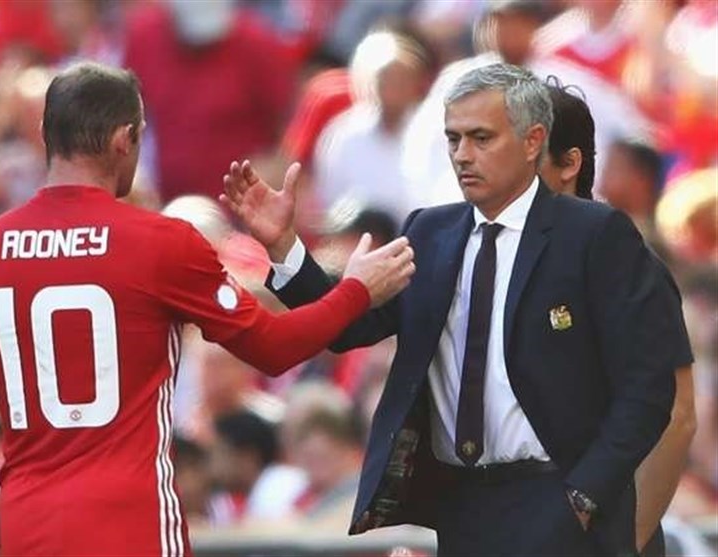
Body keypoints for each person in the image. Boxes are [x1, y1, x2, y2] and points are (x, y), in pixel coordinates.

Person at [0, 62, 416, 556]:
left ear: (49, 137)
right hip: (133, 525)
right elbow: (273, 348)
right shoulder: (160, 242)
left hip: (29, 526)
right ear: (124, 138)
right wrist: (356, 291)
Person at [221, 63, 677, 555]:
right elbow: (349, 325)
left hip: (560, 499)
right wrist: (285, 247)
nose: (463, 155)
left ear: (532, 141)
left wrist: (585, 495)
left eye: (481, 138)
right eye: (454, 139)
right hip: (463, 507)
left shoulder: (595, 234)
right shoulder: (430, 232)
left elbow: (648, 388)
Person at [541, 82, 697, 557]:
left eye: (508, 146)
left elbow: (676, 417)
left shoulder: (624, 260)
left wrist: (623, 543)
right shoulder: (489, 257)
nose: (471, 160)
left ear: (568, 163)